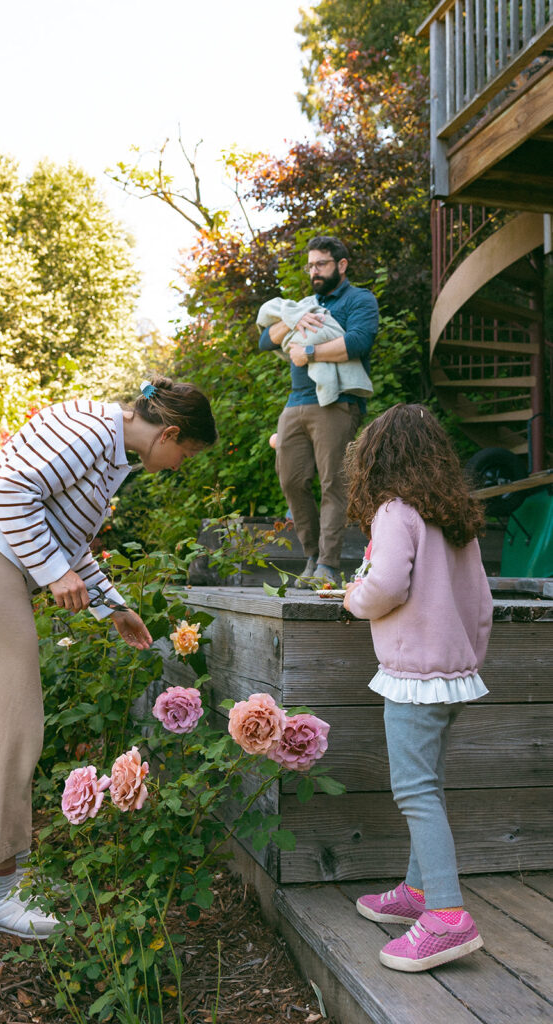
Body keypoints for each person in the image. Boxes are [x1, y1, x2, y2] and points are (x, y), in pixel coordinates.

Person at [0, 377, 217, 939]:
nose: (179, 465)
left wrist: (112, 607)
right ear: (171, 433)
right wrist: (53, 573)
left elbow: (68, 538)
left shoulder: (109, 448)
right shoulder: (90, 430)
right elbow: (11, 492)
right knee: (4, 727)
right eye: (185, 453)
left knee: (14, 723)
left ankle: (12, 878)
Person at [343, 404, 492, 972]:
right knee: (427, 785)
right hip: (455, 675)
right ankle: (418, 892)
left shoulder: (394, 511)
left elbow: (384, 585)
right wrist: (467, 661)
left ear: (378, 458)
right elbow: (481, 604)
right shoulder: (454, 521)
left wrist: (354, 597)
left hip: (414, 680)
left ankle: (448, 917)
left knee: (415, 793)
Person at [258, 235, 378, 587]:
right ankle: (311, 555)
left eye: (321, 264)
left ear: (341, 265)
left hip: (337, 402)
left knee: (332, 483)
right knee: (291, 480)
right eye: (310, 265)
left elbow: (359, 341)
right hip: (296, 402)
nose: (314, 271)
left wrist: (308, 352)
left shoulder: (360, 299)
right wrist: (294, 321)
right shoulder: (305, 303)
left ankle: (327, 563)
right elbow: (266, 340)